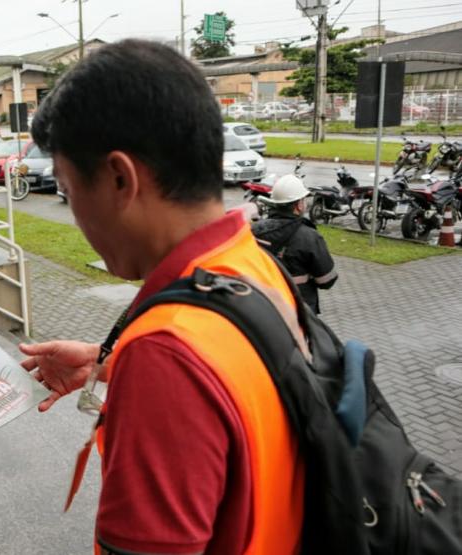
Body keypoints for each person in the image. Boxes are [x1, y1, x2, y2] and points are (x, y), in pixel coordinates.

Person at [19, 40, 305, 554]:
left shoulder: (165, 356)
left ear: (119, 178)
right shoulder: (250, 264)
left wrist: (145, 365)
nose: (74, 213)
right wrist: (110, 363)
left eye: (68, 188)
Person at [252, 174, 338, 314]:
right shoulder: (309, 236)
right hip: (299, 312)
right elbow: (327, 280)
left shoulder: (253, 231)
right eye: (303, 200)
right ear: (298, 205)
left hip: (262, 309)